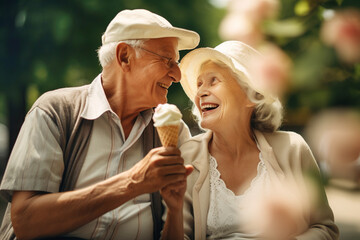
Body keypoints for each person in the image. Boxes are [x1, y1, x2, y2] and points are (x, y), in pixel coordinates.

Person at [0, 9, 199, 239]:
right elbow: (25, 221)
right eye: (167, 60)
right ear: (124, 56)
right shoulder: (55, 111)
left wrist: (175, 212)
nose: (177, 74)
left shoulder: (174, 132)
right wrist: (133, 182)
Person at [162, 41, 339, 239]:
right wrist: (173, 211)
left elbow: (325, 229)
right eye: (199, 84)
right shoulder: (187, 156)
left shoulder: (293, 148)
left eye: (214, 81)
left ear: (251, 95)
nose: (200, 92)